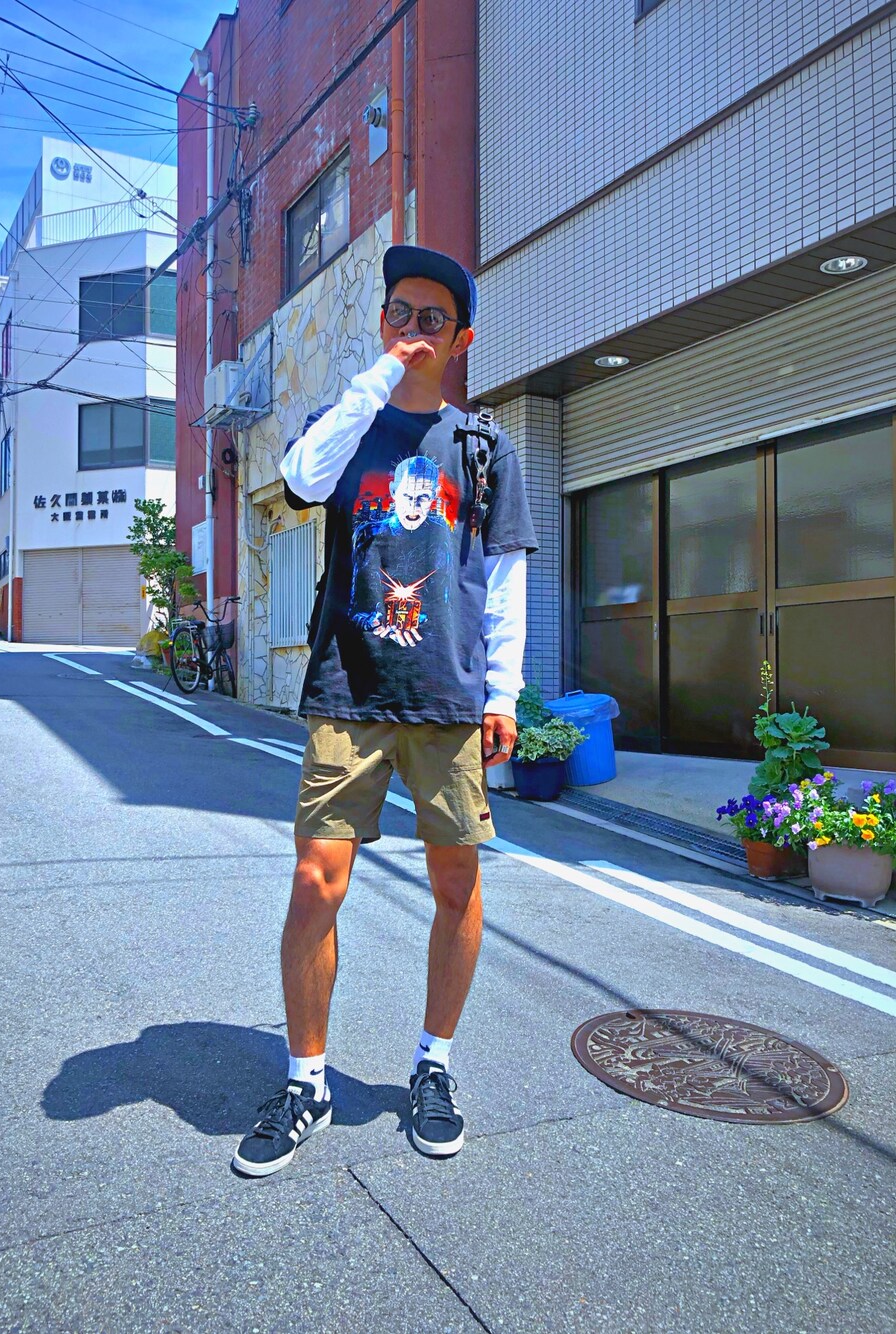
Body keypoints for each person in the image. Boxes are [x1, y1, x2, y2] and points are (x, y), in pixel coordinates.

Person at [233, 244, 538, 1178]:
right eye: (399, 313)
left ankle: (433, 1065)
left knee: (457, 886)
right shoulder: (347, 423)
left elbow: (504, 580)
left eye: (431, 319)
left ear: (462, 340)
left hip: (446, 694)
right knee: (314, 882)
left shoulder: (483, 447)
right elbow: (302, 481)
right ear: (381, 322)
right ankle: (307, 1081)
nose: (413, 330)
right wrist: (374, 382)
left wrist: (503, 693)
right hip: (349, 687)